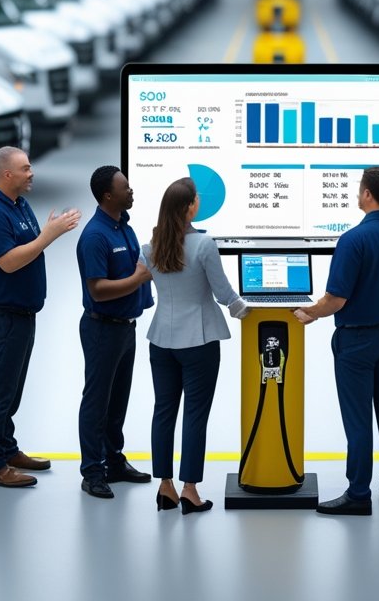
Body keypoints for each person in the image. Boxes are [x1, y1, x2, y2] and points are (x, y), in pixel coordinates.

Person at [295, 166, 379, 516]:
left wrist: (310, 313)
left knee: (358, 419)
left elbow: (336, 299)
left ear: (366, 194)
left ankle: (358, 493)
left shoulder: (353, 240)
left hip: (356, 343)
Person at [0, 146, 81, 488]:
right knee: (1, 392)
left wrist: (44, 234)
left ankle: (6, 448)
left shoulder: (18, 205)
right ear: (7, 175)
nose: (31, 172)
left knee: (13, 391)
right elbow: (8, 261)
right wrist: (48, 236)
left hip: (23, 314)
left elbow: (30, 245)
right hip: (7, 316)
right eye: (25, 168)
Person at [141, 178, 248, 515]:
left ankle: (165, 486)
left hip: (161, 340)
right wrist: (249, 308)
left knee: (163, 412)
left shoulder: (150, 246)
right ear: (189, 208)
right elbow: (224, 295)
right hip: (198, 341)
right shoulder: (204, 245)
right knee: (195, 415)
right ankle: (190, 489)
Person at [76, 165, 154, 499]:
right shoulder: (95, 236)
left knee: (118, 400)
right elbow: (98, 289)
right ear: (108, 195)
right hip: (101, 329)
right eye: (125, 187)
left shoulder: (124, 228)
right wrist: (138, 280)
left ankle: (114, 461)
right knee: (97, 401)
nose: (131, 190)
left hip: (126, 328)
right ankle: (92, 471)